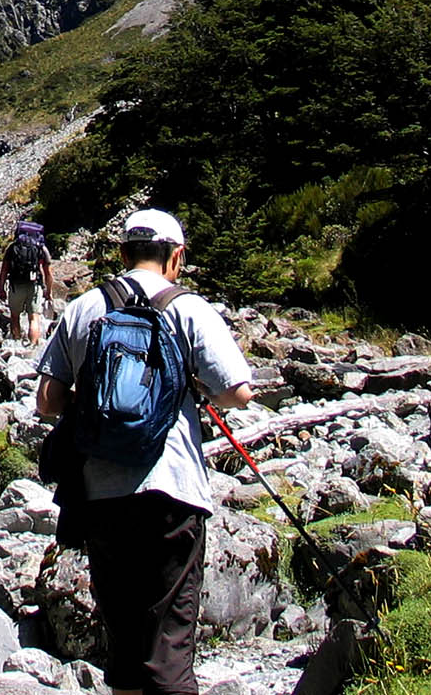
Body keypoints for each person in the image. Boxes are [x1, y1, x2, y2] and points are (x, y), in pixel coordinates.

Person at [35, 210, 255, 695]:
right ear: (176, 257)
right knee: (169, 645)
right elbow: (237, 392)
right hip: (173, 491)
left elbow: (47, 401)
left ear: (122, 254)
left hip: (102, 495)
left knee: (124, 646)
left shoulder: (86, 306)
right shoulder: (190, 308)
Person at [0, 219, 54, 344]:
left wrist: (2, 289)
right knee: (34, 318)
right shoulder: (41, 248)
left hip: (15, 285)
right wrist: (48, 291)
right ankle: (33, 347)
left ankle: (17, 342)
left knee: (14, 316)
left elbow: (4, 270)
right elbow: (48, 273)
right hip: (34, 285)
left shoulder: (13, 247)